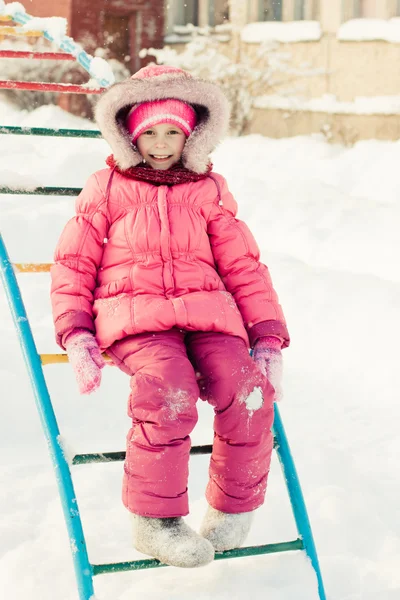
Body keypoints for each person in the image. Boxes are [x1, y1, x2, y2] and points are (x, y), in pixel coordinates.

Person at [50, 64, 290, 569]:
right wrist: (75, 333)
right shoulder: (107, 187)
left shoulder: (208, 190)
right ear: (131, 136)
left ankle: (232, 511)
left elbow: (243, 264)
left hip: (207, 317)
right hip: (135, 319)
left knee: (248, 390)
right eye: (150, 133)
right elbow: (75, 261)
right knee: (168, 389)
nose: (161, 144)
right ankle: (155, 523)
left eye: (172, 133)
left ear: (192, 135)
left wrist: (266, 336)